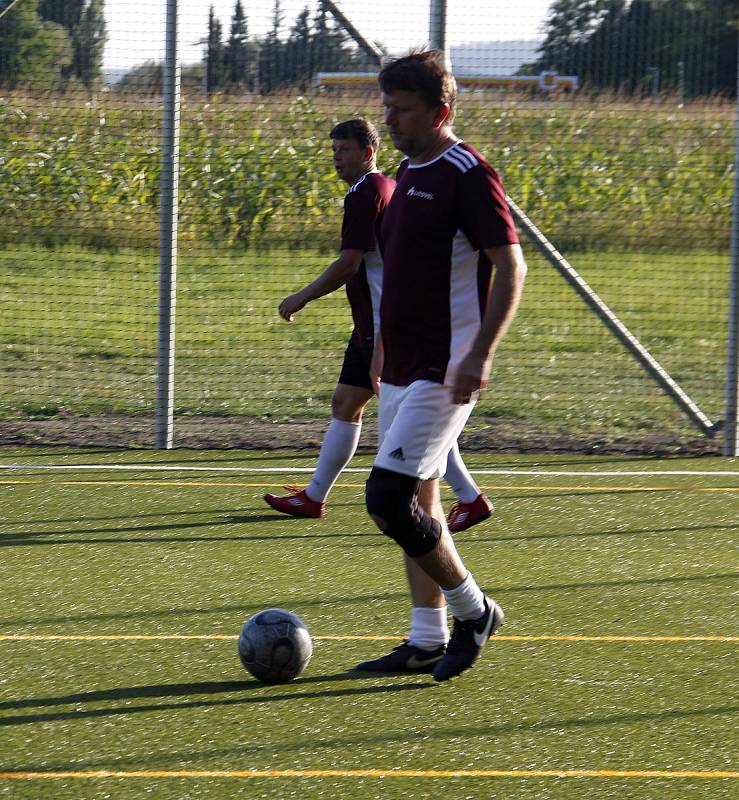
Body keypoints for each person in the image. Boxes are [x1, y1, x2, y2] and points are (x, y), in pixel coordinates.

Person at [356, 51, 527, 682]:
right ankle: (425, 638)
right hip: (402, 363)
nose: (390, 120)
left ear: (441, 111)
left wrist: (480, 353)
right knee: (421, 498)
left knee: (387, 496)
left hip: (445, 368)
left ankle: (473, 611)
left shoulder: (467, 172)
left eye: (402, 110)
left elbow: (511, 267)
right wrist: (378, 344)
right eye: (388, 108)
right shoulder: (407, 170)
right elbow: (401, 273)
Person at [263, 118, 493, 534]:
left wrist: (301, 296)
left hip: (384, 325)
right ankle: (314, 497)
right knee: (353, 404)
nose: (337, 158)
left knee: (406, 421)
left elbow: (350, 263)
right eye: (333, 151)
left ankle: (467, 498)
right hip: (383, 324)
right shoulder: (389, 185)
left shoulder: (365, 192)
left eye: (345, 150)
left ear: (368, 153)